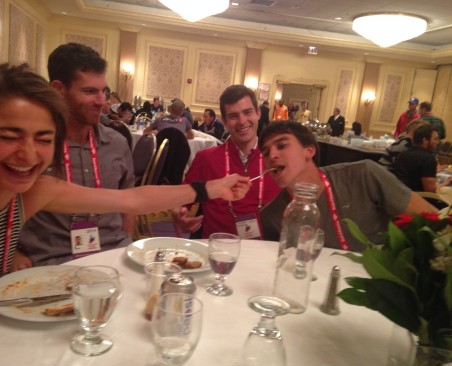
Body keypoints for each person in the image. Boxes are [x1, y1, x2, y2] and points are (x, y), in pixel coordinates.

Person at [0, 63, 250, 324]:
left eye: (43, 139)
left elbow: (132, 199)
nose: (28, 154)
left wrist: (213, 188)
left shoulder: (33, 193)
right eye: (8, 136)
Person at [12, 43, 135, 270]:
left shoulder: (117, 144)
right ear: (58, 89)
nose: (102, 102)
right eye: (89, 91)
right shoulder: (35, 146)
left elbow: (129, 200)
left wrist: (126, 240)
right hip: (49, 262)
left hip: (112, 256)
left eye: (103, 91)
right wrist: (13, 251)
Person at [258, 120, 436, 252]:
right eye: (265, 152)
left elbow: (436, 221)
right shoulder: (272, 217)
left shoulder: (364, 175)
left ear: (309, 151)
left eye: (282, 145)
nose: (272, 154)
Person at [173, 85, 281, 239]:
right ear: (224, 121)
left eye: (247, 112)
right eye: (233, 116)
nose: (242, 121)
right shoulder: (206, 159)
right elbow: (180, 202)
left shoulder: (277, 161)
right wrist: (180, 216)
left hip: (265, 254)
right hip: (217, 253)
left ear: (258, 113)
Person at [393, 123, 442, 192]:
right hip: (419, 199)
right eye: (435, 139)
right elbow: (430, 190)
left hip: (400, 196)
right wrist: (446, 184)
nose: (437, 142)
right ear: (425, 140)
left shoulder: (402, 154)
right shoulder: (428, 159)